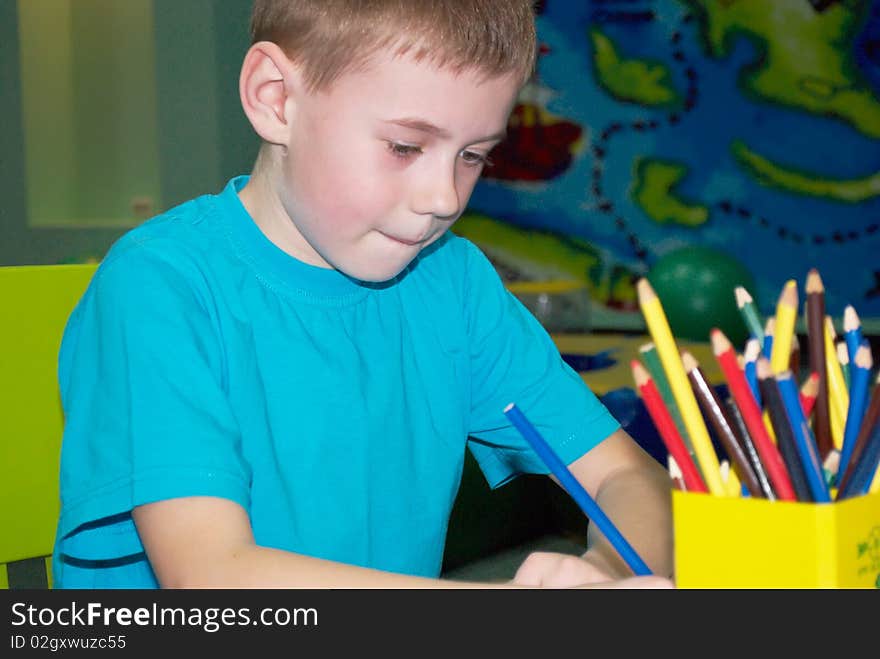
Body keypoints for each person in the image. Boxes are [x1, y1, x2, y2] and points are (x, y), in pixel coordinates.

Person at [53, 0, 673, 589]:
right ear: (276, 99)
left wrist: (610, 574)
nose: (446, 199)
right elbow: (213, 576)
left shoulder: (453, 283)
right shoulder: (160, 286)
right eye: (406, 146)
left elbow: (625, 473)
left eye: (474, 156)